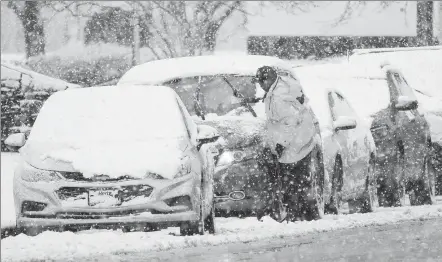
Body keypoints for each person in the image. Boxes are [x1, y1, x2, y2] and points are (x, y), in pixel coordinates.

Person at [250, 66, 320, 222]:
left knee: (292, 181)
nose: (260, 86)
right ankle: (300, 213)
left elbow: (290, 122)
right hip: (300, 141)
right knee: (297, 180)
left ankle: (295, 214)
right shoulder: (278, 89)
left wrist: (281, 144)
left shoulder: (279, 97)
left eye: (261, 82)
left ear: (268, 80)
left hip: (295, 144)